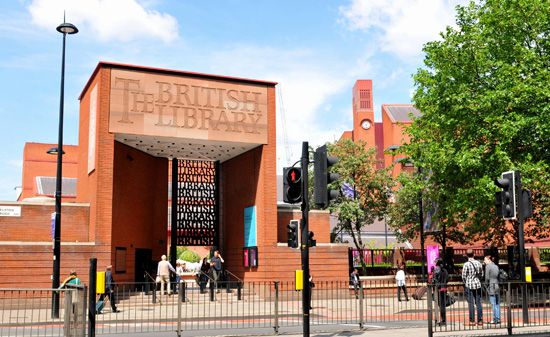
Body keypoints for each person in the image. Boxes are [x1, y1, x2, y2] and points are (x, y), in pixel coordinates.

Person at [462, 249, 483, 326]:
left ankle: (472, 321)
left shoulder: (466, 264)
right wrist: (478, 280)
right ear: (474, 254)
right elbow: (481, 274)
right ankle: (480, 320)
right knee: (478, 303)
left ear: (467, 255)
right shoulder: (479, 263)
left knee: (471, 303)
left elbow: (463, 276)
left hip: (469, 285)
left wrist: (466, 282)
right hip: (477, 284)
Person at [484, 255, 501, 324]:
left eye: (485, 260)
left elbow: (487, 278)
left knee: (493, 303)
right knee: (497, 303)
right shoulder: (496, 266)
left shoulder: (488, 266)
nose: (484, 261)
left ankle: (494, 319)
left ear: (489, 260)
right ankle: (498, 318)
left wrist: (485, 285)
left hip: (491, 285)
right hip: (496, 285)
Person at [433, 258, 448, 326]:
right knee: (443, 305)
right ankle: (443, 320)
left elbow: (435, 279)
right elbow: (447, 279)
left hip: (438, 289)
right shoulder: (445, 270)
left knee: (439, 305)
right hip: (444, 288)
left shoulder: (436, 269)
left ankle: (440, 320)